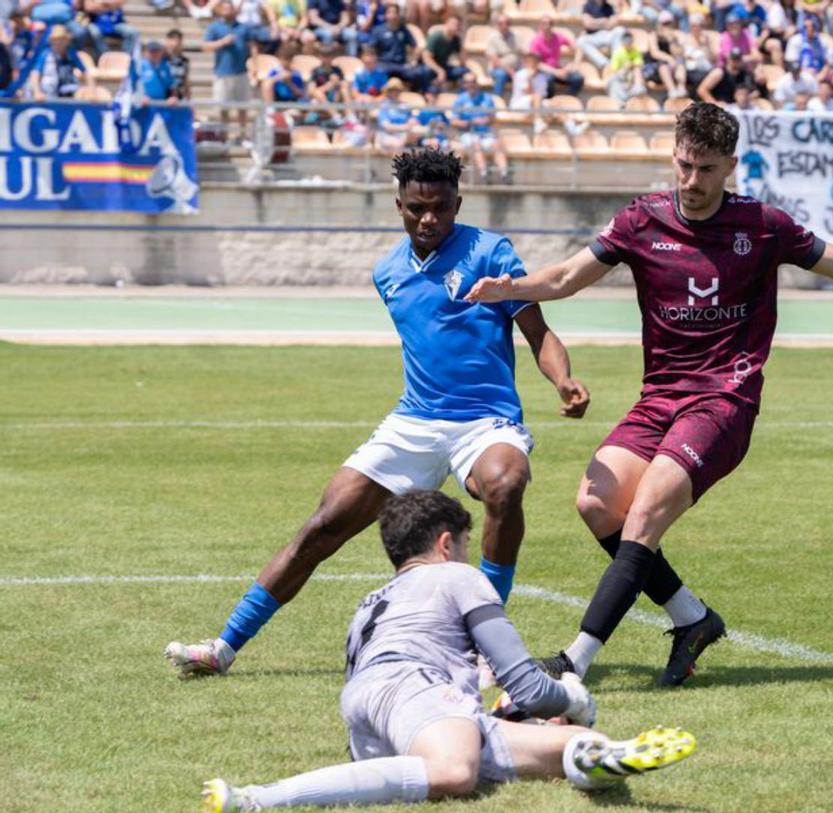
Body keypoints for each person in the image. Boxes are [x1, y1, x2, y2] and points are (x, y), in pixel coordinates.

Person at [465, 103, 833, 688]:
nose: (691, 182)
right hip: (659, 398)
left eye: (706, 170)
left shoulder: (762, 225)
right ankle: (692, 618)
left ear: (731, 167)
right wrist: (508, 289)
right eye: (684, 165)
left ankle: (574, 662)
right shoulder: (641, 221)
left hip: (724, 400)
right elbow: (566, 278)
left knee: (643, 515)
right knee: (596, 505)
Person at [165, 148, 592, 678]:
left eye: (440, 207)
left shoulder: (491, 252)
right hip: (414, 421)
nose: (429, 218)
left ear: (458, 202)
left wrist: (563, 379)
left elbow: (538, 333)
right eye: (417, 208)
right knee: (323, 525)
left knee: (505, 485)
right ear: (399, 205)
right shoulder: (387, 271)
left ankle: (487, 645)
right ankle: (224, 647)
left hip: (485, 421)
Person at [198, 490, 696, 813]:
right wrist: (570, 698)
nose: (464, 553)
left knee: (573, 743)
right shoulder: (459, 576)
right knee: (457, 770)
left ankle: (595, 758)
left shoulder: (373, 599)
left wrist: (553, 718)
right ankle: (256, 798)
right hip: (414, 692)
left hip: (374, 712)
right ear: (444, 543)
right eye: (462, 543)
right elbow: (524, 683)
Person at [204, 1, 253, 140]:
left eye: (229, 9)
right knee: (223, 107)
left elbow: (251, 46)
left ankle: (243, 135)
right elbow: (205, 46)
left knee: (242, 107)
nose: (227, 11)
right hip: (222, 72)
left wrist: (253, 65)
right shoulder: (215, 27)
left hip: (241, 72)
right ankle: (224, 136)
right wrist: (222, 42)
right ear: (220, 11)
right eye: (224, 9)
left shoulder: (243, 28)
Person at [450, 71, 509, 181]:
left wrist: (485, 120)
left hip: (485, 133)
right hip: (467, 133)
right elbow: (453, 121)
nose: (471, 84)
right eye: (468, 82)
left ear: (477, 83)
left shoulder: (487, 98)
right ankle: (484, 174)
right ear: (464, 84)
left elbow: (493, 118)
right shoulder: (460, 100)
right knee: (475, 144)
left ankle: (504, 175)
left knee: (497, 144)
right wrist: (470, 123)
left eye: (473, 81)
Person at [370, 3, 434, 90]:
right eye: (390, 13)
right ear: (385, 15)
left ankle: (419, 95)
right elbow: (370, 49)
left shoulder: (403, 30)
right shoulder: (378, 30)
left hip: (401, 65)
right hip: (384, 64)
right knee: (378, 74)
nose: (393, 15)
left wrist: (413, 60)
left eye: (395, 13)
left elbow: (415, 46)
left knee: (421, 72)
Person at [28, 24, 90, 99]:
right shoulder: (45, 55)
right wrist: (37, 92)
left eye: (62, 39)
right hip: (49, 94)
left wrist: (92, 91)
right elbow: (35, 74)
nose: (59, 43)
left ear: (67, 41)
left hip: (68, 92)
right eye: (55, 40)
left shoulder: (71, 54)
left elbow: (86, 72)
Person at [529, 14, 584, 97]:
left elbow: (578, 49)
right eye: (544, 24)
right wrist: (555, 72)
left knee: (578, 79)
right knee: (548, 80)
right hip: (544, 71)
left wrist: (573, 65)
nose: (547, 26)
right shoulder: (536, 41)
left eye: (549, 24)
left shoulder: (558, 37)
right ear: (540, 26)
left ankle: (565, 98)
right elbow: (536, 64)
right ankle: (550, 101)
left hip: (557, 69)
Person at [422, 14, 466, 89]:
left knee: (464, 71)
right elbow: (426, 58)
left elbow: (463, 62)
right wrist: (440, 71)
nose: (455, 27)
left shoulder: (456, 39)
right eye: (453, 24)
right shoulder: (436, 37)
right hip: (431, 67)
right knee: (425, 72)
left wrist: (461, 41)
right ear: (447, 24)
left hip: (444, 66)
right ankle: (429, 90)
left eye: (458, 25)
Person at [577, 0, 624, 69]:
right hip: (593, 36)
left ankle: (616, 62)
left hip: (607, 35)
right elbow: (587, 24)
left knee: (620, 30)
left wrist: (594, 22)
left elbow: (613, 23)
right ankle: (605, 64)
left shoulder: (609, 6)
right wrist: (603, 21)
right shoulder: (588, 6)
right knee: (581, 41)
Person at [376, 76, 419, 147]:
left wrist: (411, 124)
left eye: (397, 90)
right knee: (398, 144)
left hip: (404, 134)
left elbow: (412, 120)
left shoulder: (405, 105)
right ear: (388, 92)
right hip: (388, 135)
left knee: (415, 133)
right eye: (392, 90)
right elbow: (387, 126)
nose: (395, 92)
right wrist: (405, 127)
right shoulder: (384, 105)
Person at [607, 29, 646, 101]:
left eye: (630, 41)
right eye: (627, 41)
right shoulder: (618, 53)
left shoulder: (635, 50)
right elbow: (614, 69)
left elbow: (640, 62)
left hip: (632, 75)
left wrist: (631, 64)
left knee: (637, 69)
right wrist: (625, 67)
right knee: (613, 81)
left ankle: (638, 87)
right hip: (622, 74)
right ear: (623, 42)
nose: (628, 43)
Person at [485, 12, 518, 96]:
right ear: (497, 24)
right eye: (500, 23)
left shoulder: (516, 36)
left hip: (515, 69)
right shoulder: (492, 38)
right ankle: (497, 101)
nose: (504, 26)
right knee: (501, 74)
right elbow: (495, 62)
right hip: (497, 69)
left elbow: (523, 53)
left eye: (507, 23)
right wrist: (510, 71)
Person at [165, 28, 191, 99]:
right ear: (167, 41)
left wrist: (188, 98)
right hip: (164, 98)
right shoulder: (162, 59)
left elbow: (185, 81)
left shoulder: (184, 61)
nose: (176, 44)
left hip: (178, 97)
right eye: (173, 40)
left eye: (179, 41)